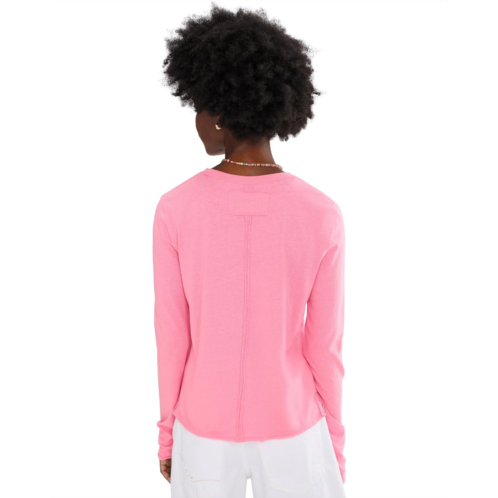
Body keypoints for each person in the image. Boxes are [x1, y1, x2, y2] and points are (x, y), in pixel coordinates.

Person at [153, 5, 346, 497]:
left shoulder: (176, 208)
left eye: (198, 106)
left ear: (218, 115)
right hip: (295, 428)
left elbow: (172, 335)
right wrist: (334, 444)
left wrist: (167, 435)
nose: (197, 120)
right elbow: (325, 346)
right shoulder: (321, 213)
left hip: (202, 428)